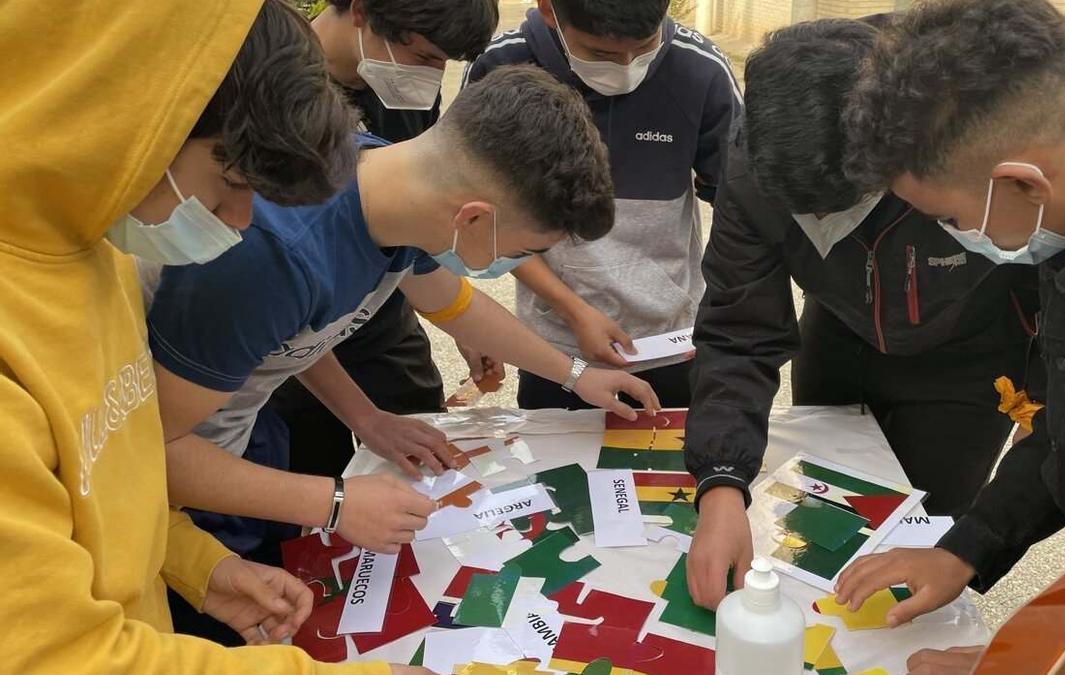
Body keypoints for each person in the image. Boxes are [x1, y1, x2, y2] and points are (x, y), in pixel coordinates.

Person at [0, 0, 426, 671]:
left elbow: (107, 475)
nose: (236, 220)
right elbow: (59, 656)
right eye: (228, 183)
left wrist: (200, 565)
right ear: (127, 117)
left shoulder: (95, 249)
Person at [148, 66, 659, 579]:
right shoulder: (272, 257)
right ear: (473, 219)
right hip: (175, 501)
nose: (513, 264)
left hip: (238, 441)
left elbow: (451, 305)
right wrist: (335, 501)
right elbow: (150, 453)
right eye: (524, 250)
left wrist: (574, 374)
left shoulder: (387, 177)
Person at [832, 0, 1065, 669]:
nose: (955, 240)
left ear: (1021, 186)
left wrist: (1017, 663)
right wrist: (969, 543)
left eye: (945, 218)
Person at [682, 18, 1040, 609]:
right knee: (819, 526)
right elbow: (739, 330)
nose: (828, 231)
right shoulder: (756, 161)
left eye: (844, 208)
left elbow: (1048, 292)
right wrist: (721, 481)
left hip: (974, 362)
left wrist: (1037, 380)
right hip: (840, 338)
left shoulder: (962, 135)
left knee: (923, 536)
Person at [464, 0, 743, 409]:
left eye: (644, 48)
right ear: (548, 10)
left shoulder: (701, 71)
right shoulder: (501, 66)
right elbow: (483, 221)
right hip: (557, 348)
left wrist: (724, 318)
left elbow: (740, 211)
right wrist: (574, 312)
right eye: (601, 54)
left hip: (671, 342)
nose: (627, 66)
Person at [271, 0, 505, 481]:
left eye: (444, 63)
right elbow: (286, 338)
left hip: (383, 312)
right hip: (295, 330)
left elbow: (416, 218)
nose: (431, 75)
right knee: (316, 469)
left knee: (426, 450)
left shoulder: (403, 83)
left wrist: (462, 323)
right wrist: (361, 419)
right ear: (361, 12)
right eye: (424, 57)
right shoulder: (273, 86)